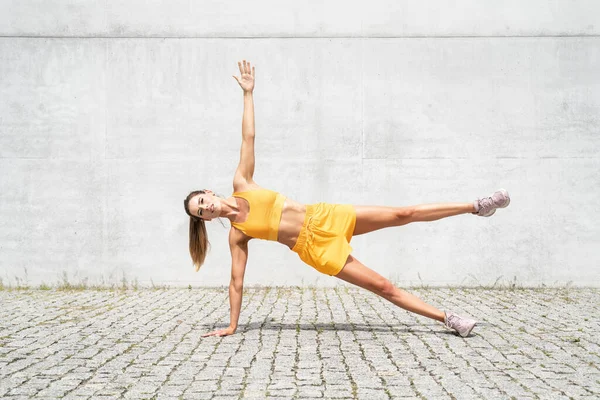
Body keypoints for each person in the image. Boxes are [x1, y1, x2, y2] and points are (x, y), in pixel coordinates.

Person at [183, 60, 510, 338]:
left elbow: (248, 136)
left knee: (403, 212)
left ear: (209, 193)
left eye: (202, 201)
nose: (206, 207)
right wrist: (231, 325)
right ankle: (448, 319)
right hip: (315, 249)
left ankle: (477, 206)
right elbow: (236, 282)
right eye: (201, 212)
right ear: (206, 220)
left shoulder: (243, 182)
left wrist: (248, 93)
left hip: (323, 216)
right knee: (382, 286)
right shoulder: (237, 235)